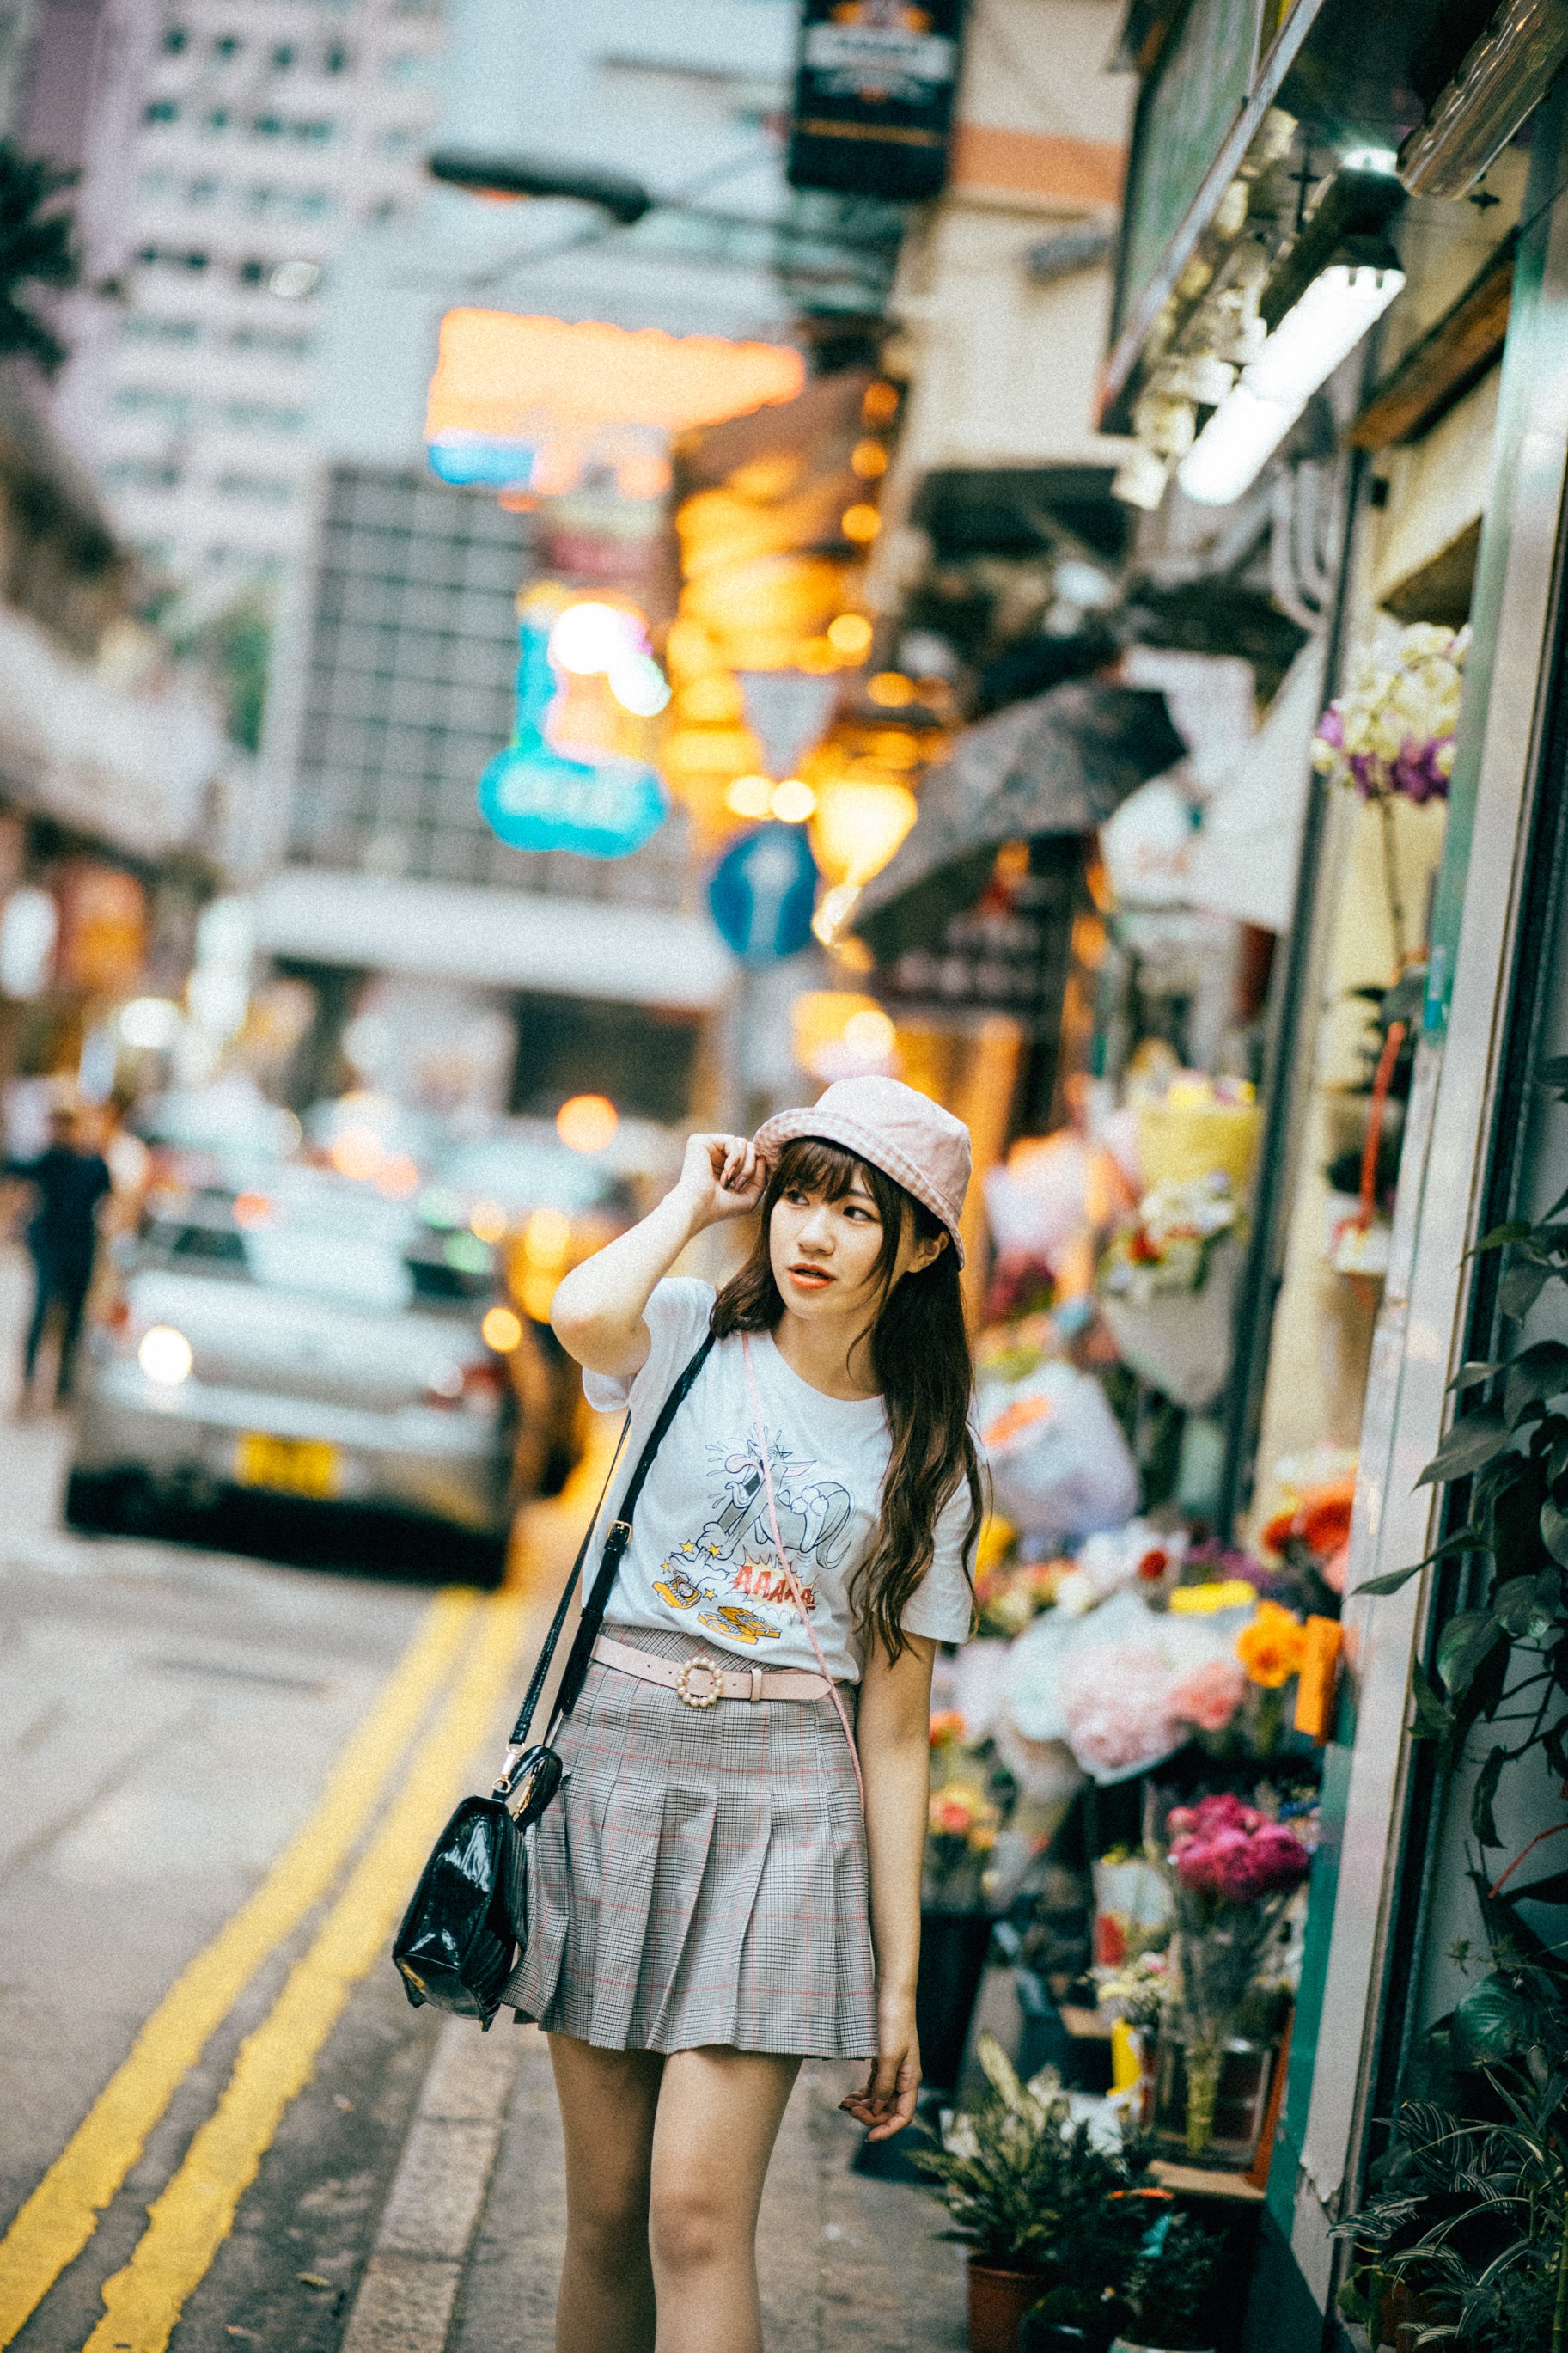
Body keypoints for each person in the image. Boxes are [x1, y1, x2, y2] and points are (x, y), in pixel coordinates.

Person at [510, 1073, 983, 2353]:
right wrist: (690, 1199)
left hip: (787, 1813)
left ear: (921, 1245)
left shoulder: (924, 1447)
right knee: (604, 2213)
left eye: (857, 1212)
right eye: (798, 1198)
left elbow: (894, 1728)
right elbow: (579, 1310)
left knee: (697, 2218)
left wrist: (900, 1983)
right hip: (613, 1771)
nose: (812, 1234)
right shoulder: (684, 1334)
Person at [7, 1102, 113, 1409]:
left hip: (79, 1250)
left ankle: (61, 1389)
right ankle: (28, 1386)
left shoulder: (93, 1165)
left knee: (72, 1321)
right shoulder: (48, 1161)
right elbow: (16, 1177)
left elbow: (108, 1206)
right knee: (41, 1315)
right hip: (50, 1249)